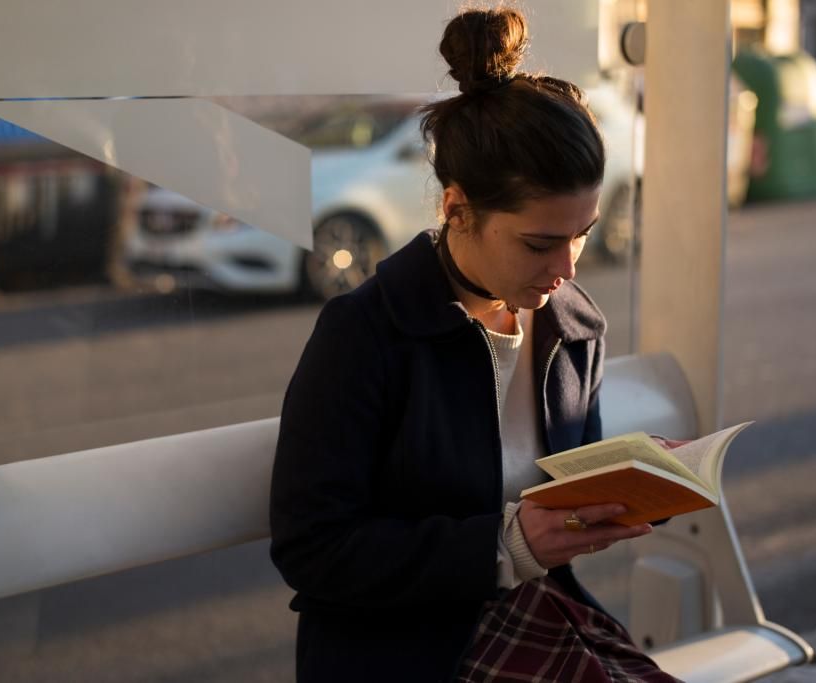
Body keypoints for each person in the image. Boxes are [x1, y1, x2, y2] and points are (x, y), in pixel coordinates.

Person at [270, 7, 680, 682]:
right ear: (456, 207)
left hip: (535, 618)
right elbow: (313, 546)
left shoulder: (571, 324)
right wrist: (504, 544)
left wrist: (632, 486)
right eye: (540, 242)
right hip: (404, 651)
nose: (569, 268)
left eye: (583, 232)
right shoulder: (367, 334)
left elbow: (562, 501)